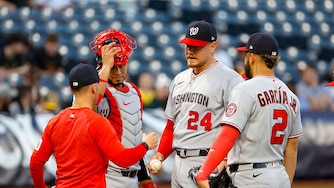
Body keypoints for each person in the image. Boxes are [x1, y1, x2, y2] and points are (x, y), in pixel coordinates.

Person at [195, 32, 303, 188]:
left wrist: (203, 173)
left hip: (250, 176)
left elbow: (227, 136)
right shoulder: (291, 96)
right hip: (279, 175)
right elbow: (292, 148)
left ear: (252, 57)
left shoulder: (245, 89)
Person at [147, 20, 244, 188]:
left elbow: (237, 128)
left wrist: (225, 160)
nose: (190, 51)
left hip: (207, 163)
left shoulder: (230, 79)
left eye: (197, 47)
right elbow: (171, 127)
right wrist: (160, 154)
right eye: (188, 46)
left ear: (213, 47)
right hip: (178, 164)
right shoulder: (179, 80)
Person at [29, 63, 158, 188]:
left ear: (70, 89)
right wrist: (145, 145)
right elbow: (123, 159)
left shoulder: (55, 121)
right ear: (94, 88)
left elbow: (35, 163)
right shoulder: (98, 122)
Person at [89, 28, 159, 188]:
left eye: (123, 65)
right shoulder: (95, 90)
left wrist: (145, 179)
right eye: (114, 66)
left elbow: (134, 137)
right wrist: (105, 67)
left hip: (132, 178)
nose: (119, 72)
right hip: (106, 177)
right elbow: (92, 103)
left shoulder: (134, 91)